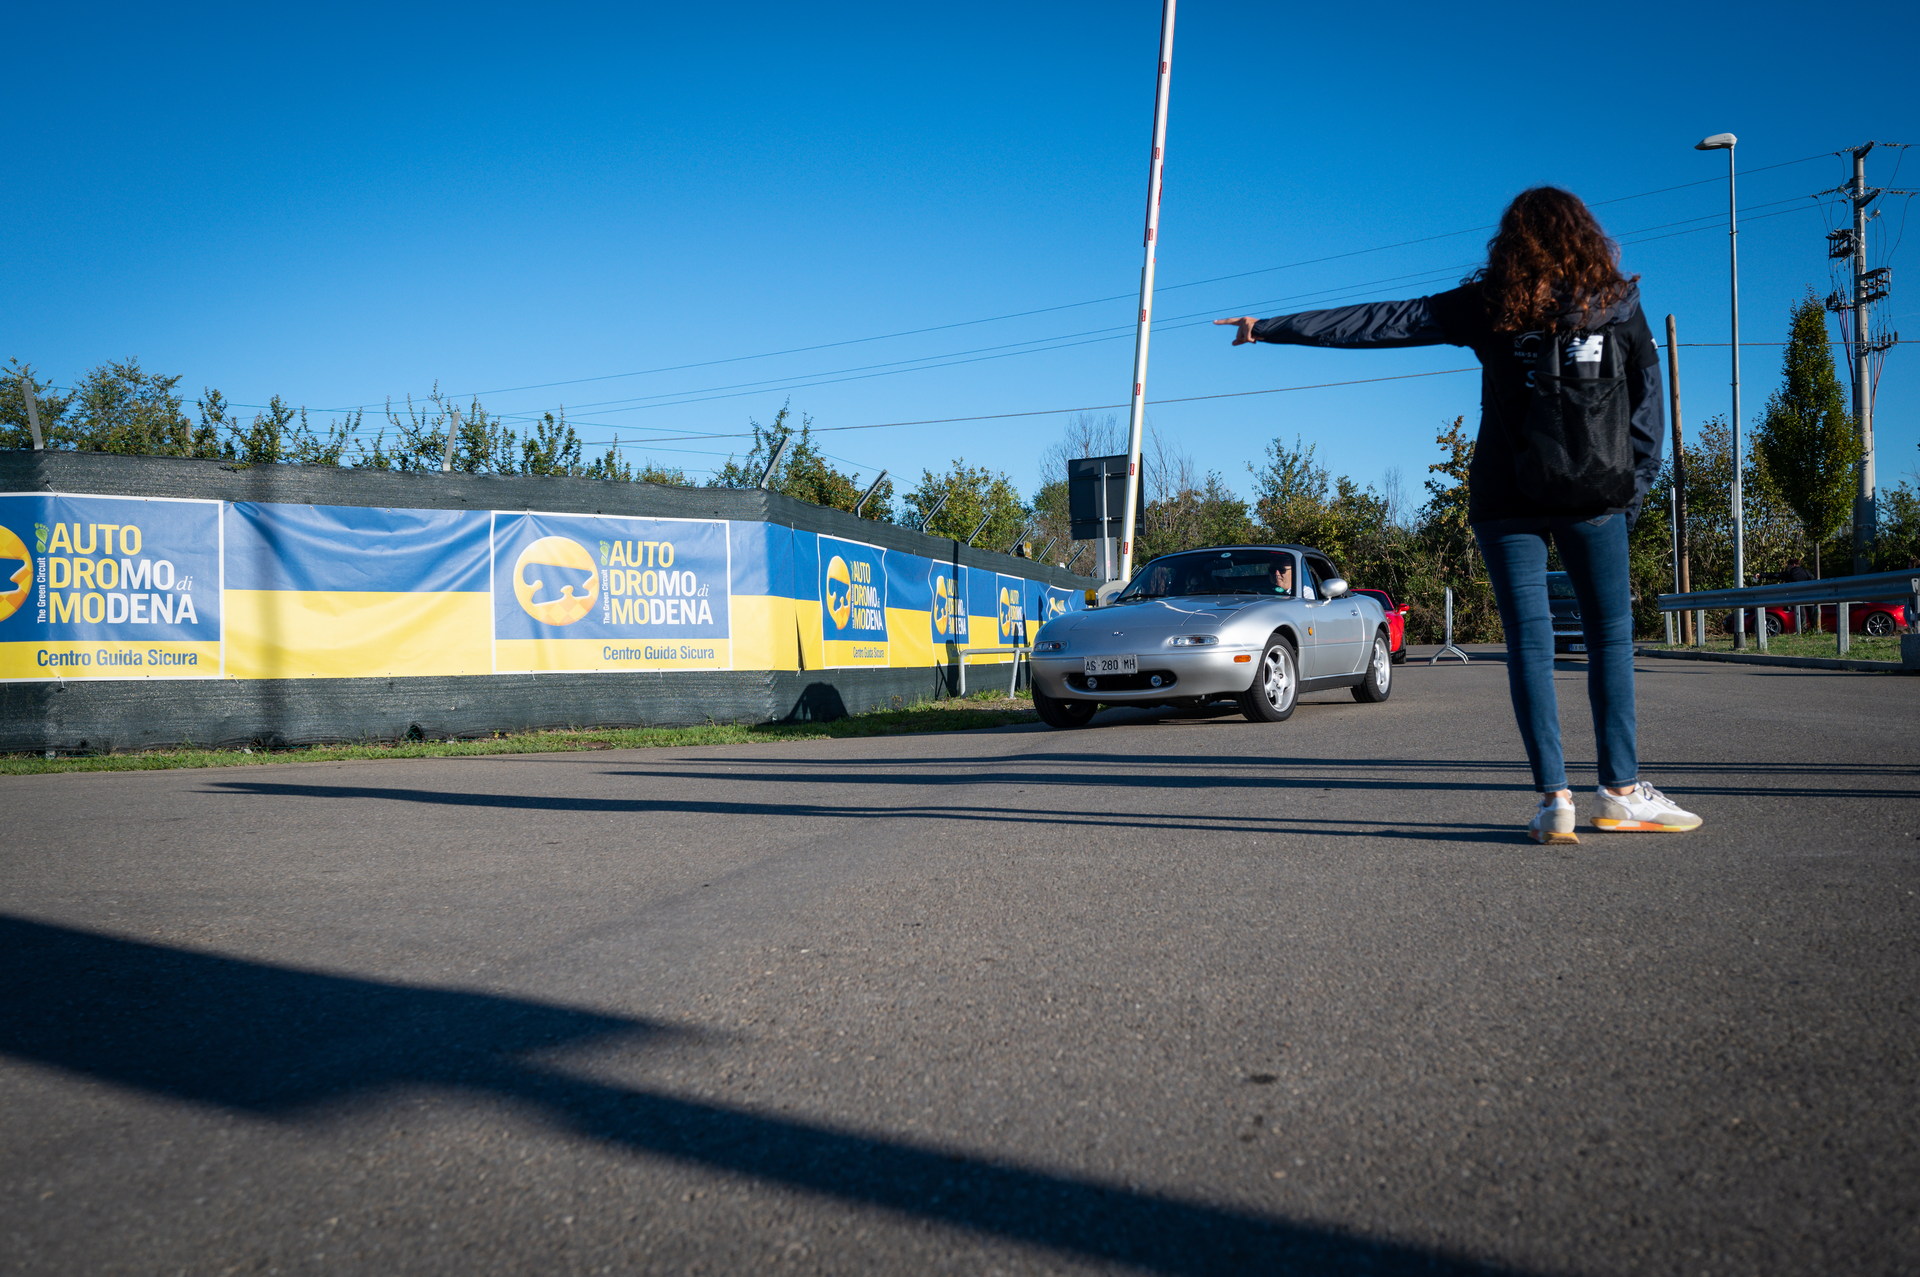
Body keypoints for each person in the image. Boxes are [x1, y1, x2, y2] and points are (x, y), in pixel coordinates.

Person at [1216, 186, 1701, 844]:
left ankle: (1553, 798)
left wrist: (1269, 327)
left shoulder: (1491, 304)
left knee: (1529, 644)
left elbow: (1381, 322)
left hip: (1506, 496)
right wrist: (1632, 490)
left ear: (1512, 244)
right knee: (1609, 638)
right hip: (1596, 496)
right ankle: (1619, 790)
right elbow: (1648, 405)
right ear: (1586, 236)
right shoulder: (1617, 303)